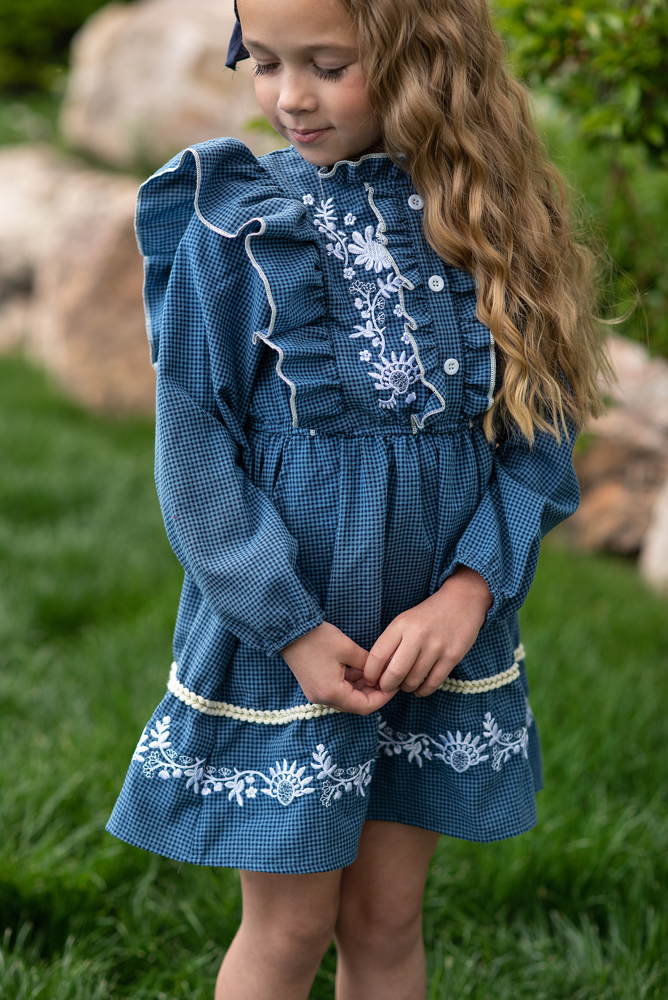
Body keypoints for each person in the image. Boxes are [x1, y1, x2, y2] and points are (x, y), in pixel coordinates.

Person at [106, 0, 605, 996]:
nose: (289, 96)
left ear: (424, 59)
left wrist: (469, 592)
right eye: (265, 63)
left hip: (434, 633)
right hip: (289, 628)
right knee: (290, 927)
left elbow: (539, 436)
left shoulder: (494, 220)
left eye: (328, 65)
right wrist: (286, 623)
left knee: (385, 918)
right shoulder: (233, 221)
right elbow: (195, 451)